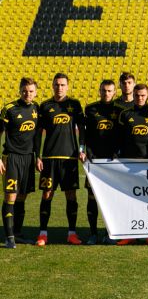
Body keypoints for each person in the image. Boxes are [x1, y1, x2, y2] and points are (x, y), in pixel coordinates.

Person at [35, 73, 86, 246]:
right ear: (52, 85)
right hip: (49, 158)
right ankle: (43, 234)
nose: (60, 87)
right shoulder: (45, 106)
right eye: (57, 84)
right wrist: (38, 155)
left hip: (69, 158)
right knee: (47, 194)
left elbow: (82, 130)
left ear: (68, 86)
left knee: (71, 195)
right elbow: (37, 134)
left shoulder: (75, 104)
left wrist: (81, 149)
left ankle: (72, 233)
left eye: (63, 85)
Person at [116, 83, 148, 247]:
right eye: (137, 95)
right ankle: (129, 233)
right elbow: (119, 137)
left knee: (147, 201)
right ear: (133, 96)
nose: (140, 98)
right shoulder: (125, 114)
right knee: (129, 200)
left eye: (143, 95)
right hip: (128, 164)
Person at [0, 77, 40, 248]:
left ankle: (18, 233)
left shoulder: (36, 108)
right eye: (24, 90)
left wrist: (37, 156)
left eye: (31, 91)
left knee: (22, 197)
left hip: (28, 158)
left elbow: (38, 135)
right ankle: (9, 237)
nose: (27, 94)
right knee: (11, 196)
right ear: (19, 90)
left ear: (35, 92)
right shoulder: (9, 109)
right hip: (12, 157)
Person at [83, 79, 123, 245]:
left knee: (112, 198)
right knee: (92, 197)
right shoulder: (90, 109)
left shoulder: (120, 110)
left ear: (114, 92)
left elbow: (123, 135)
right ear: (99, 91)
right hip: (94, 160)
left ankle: (111, 233)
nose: (106, 93)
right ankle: (93, 233)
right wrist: (85, 150)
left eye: (109, 91)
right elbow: (85, 133)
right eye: (104, 90)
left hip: (113, 162)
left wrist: (118, 152)